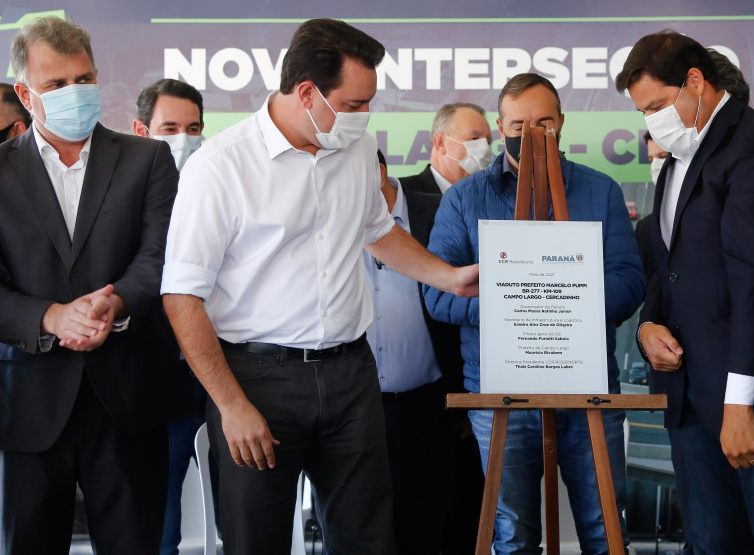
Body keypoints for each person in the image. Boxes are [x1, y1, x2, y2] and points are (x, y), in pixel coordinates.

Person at [160, 18, 478, 555]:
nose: (364, 117)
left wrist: (448, 276)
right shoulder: (220, 167)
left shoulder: (354, 147)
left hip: (353, 376)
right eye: (353, 104)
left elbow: (376, 231)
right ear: (307, 92)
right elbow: (181, 297)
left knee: (369, 539)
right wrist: (231, 405)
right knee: (256, 540)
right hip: (257, 379)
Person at [616, 31, 754, 554]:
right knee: (712, 543)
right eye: (643, 112)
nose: (651, 121)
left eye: (656, 105)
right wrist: (651, 322)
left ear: (695, 81)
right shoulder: (678, 154)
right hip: (694, 397)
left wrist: (739, 405)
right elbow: (671, 267)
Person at [424, 72, 645, 554]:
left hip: (587, 388)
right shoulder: (464, 199)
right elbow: (439, 297)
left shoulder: (600, 191)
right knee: (512, 535)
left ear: (563, 122)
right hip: (500, 392)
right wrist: (526, 304)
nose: (533, 134)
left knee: (605, 529)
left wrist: (554, 300)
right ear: (501, 127)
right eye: (519, 125)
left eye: (545, 122)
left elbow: (629, 285)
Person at [0, 16, 189, 554]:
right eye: (56, 85)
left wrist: (116, 304)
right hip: (28, 408)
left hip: (129, 401)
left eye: (83, 80)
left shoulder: (148, 159)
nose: (74, 94)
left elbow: (162, 257)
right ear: (24, 92)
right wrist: (52, 317)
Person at [132, 77, 215, 555]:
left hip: (226, 382)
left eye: (193, 127)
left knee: (242, 516)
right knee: (156, 521)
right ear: (142, 131)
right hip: (156, 385)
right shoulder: (124, 199)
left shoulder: (220, 191)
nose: (183, 139)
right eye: (170, 128)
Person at [367, 149, 465, 554]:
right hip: (354, 405)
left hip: (428, 402)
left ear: (380, 173)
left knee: (428, 523)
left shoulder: (441, 211)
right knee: (362, 526)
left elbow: (464, 306)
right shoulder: (325, 221)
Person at [399, 102, 492, 194]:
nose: (484, 148)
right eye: (474, 138)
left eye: (488, 142)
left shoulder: (493, 195)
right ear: (440, 143)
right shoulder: (400, 194)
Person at [134, 78, 204, 171]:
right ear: (141, 131)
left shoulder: (216, 181)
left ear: (201, 128)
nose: (183, 142)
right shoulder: (121, 182)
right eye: (169, 129)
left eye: (192, 129)